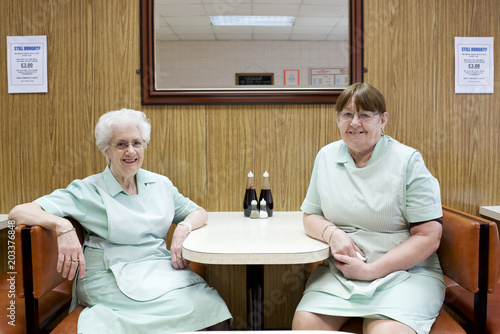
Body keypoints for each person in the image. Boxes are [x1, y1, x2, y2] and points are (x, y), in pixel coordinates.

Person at [8, 108, 232, 333]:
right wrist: (62, 226)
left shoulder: (160, 185)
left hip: (157, 268)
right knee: (191, 311)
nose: (131, 151)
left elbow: (198, 212)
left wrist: (185, 226)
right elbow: (18, 212)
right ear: (106, 150)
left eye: (137, 142)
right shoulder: (88, 190)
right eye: (121, 144)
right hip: (108, 276)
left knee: (213, 308)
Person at [292, 83, 444, 334]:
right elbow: (311, 216)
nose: (354, 123)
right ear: (338, 119)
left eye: (365, 115)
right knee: (306, 325)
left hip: (405, 274)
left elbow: (429, 236)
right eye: (347, 114)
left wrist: (371, 271)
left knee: (386, 332)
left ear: (383, 120)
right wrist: (334, 234)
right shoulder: (327, 157)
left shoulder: (407, 160)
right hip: (341, 274)